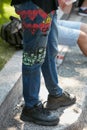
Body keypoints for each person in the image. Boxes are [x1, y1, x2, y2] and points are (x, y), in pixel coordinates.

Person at [11, 0, 76, 126]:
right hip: (34, 5)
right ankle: (31, 107)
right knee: (34, 56)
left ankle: (55, 94)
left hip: (48, 4)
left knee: (50, 50)